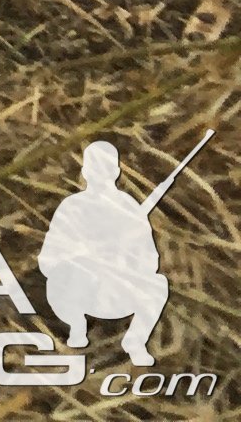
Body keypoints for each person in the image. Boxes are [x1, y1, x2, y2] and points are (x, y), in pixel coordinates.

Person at [38, 141, 169, 366]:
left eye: (106, 168)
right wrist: (79, 256)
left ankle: (135, 341)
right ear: (86, 171)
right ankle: (77, 328)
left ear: (116, 171)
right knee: (71, 275)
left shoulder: (129, 208)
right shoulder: (72, 207)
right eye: (95, 168)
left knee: (158, 285)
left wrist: (124, 257)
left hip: (115, 293)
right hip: (77, 293)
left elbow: (150, 260)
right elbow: (48, 260)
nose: (101, 174)